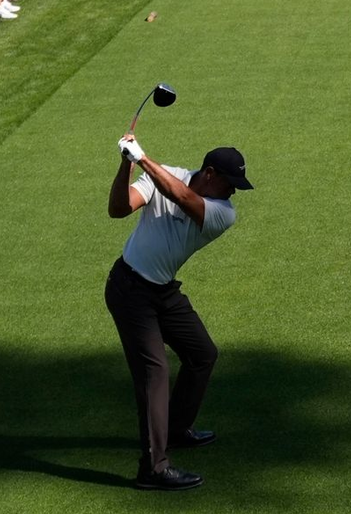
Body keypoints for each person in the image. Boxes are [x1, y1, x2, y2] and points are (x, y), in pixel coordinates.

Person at [105, 134, 254, 491]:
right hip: (129, 289)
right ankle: (153, 469)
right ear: (210, 172)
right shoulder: (163, 175)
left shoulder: (223, 214)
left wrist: (142, 158)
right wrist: (126, 162)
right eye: (230, 184)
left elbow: (183, 197)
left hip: (163, 291)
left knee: (202, 354)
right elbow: (119, 208)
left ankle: (175, 430)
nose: (233, 193)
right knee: (154, 375)